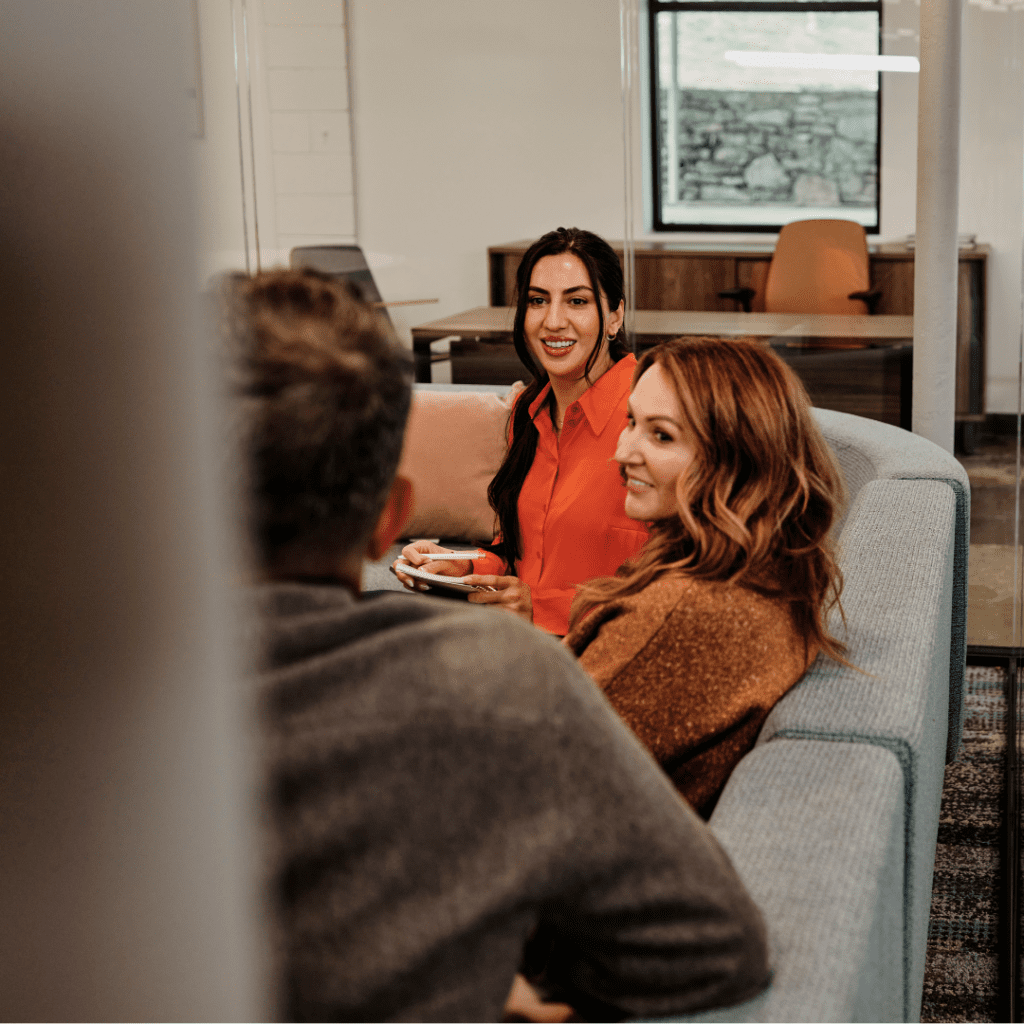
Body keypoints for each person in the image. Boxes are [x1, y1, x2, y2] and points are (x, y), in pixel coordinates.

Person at [224, 269, 770, 1022]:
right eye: (540, 299)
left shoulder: (53, 711)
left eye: (577, 300)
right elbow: (705, 948)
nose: (625, 455)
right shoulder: (500, 686)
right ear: (391, 521)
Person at [565, 337, 848, 818]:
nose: (623, 452)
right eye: (632, 422)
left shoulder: (684, 614)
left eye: (662, 436)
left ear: (734, 459)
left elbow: (531, 769)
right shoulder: (765, 571)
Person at [395, 227, 648, 636]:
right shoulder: (526, 414)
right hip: (522, 644)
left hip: (602, 658)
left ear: (615, 315)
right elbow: (521, 559)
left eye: (577, 301)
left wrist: (542, 608)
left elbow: (680, 591)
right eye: (537, 301)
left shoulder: (653, 414)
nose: (553, 321)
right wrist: (463, 568)